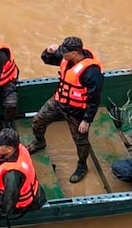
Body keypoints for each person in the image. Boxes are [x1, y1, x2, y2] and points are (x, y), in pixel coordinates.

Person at [28, 37, 104, 184]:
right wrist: (48, 52)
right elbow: (46, 59)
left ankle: (82, 166)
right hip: (58, 102)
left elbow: (94, 99)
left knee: (80, 140)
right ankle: (39, 141)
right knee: (38, 120)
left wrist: (87, 120)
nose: (61, 54)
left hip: (77, 111)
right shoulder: (66, 58)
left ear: (75, 53)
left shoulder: (92, 72)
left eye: (64, 52)